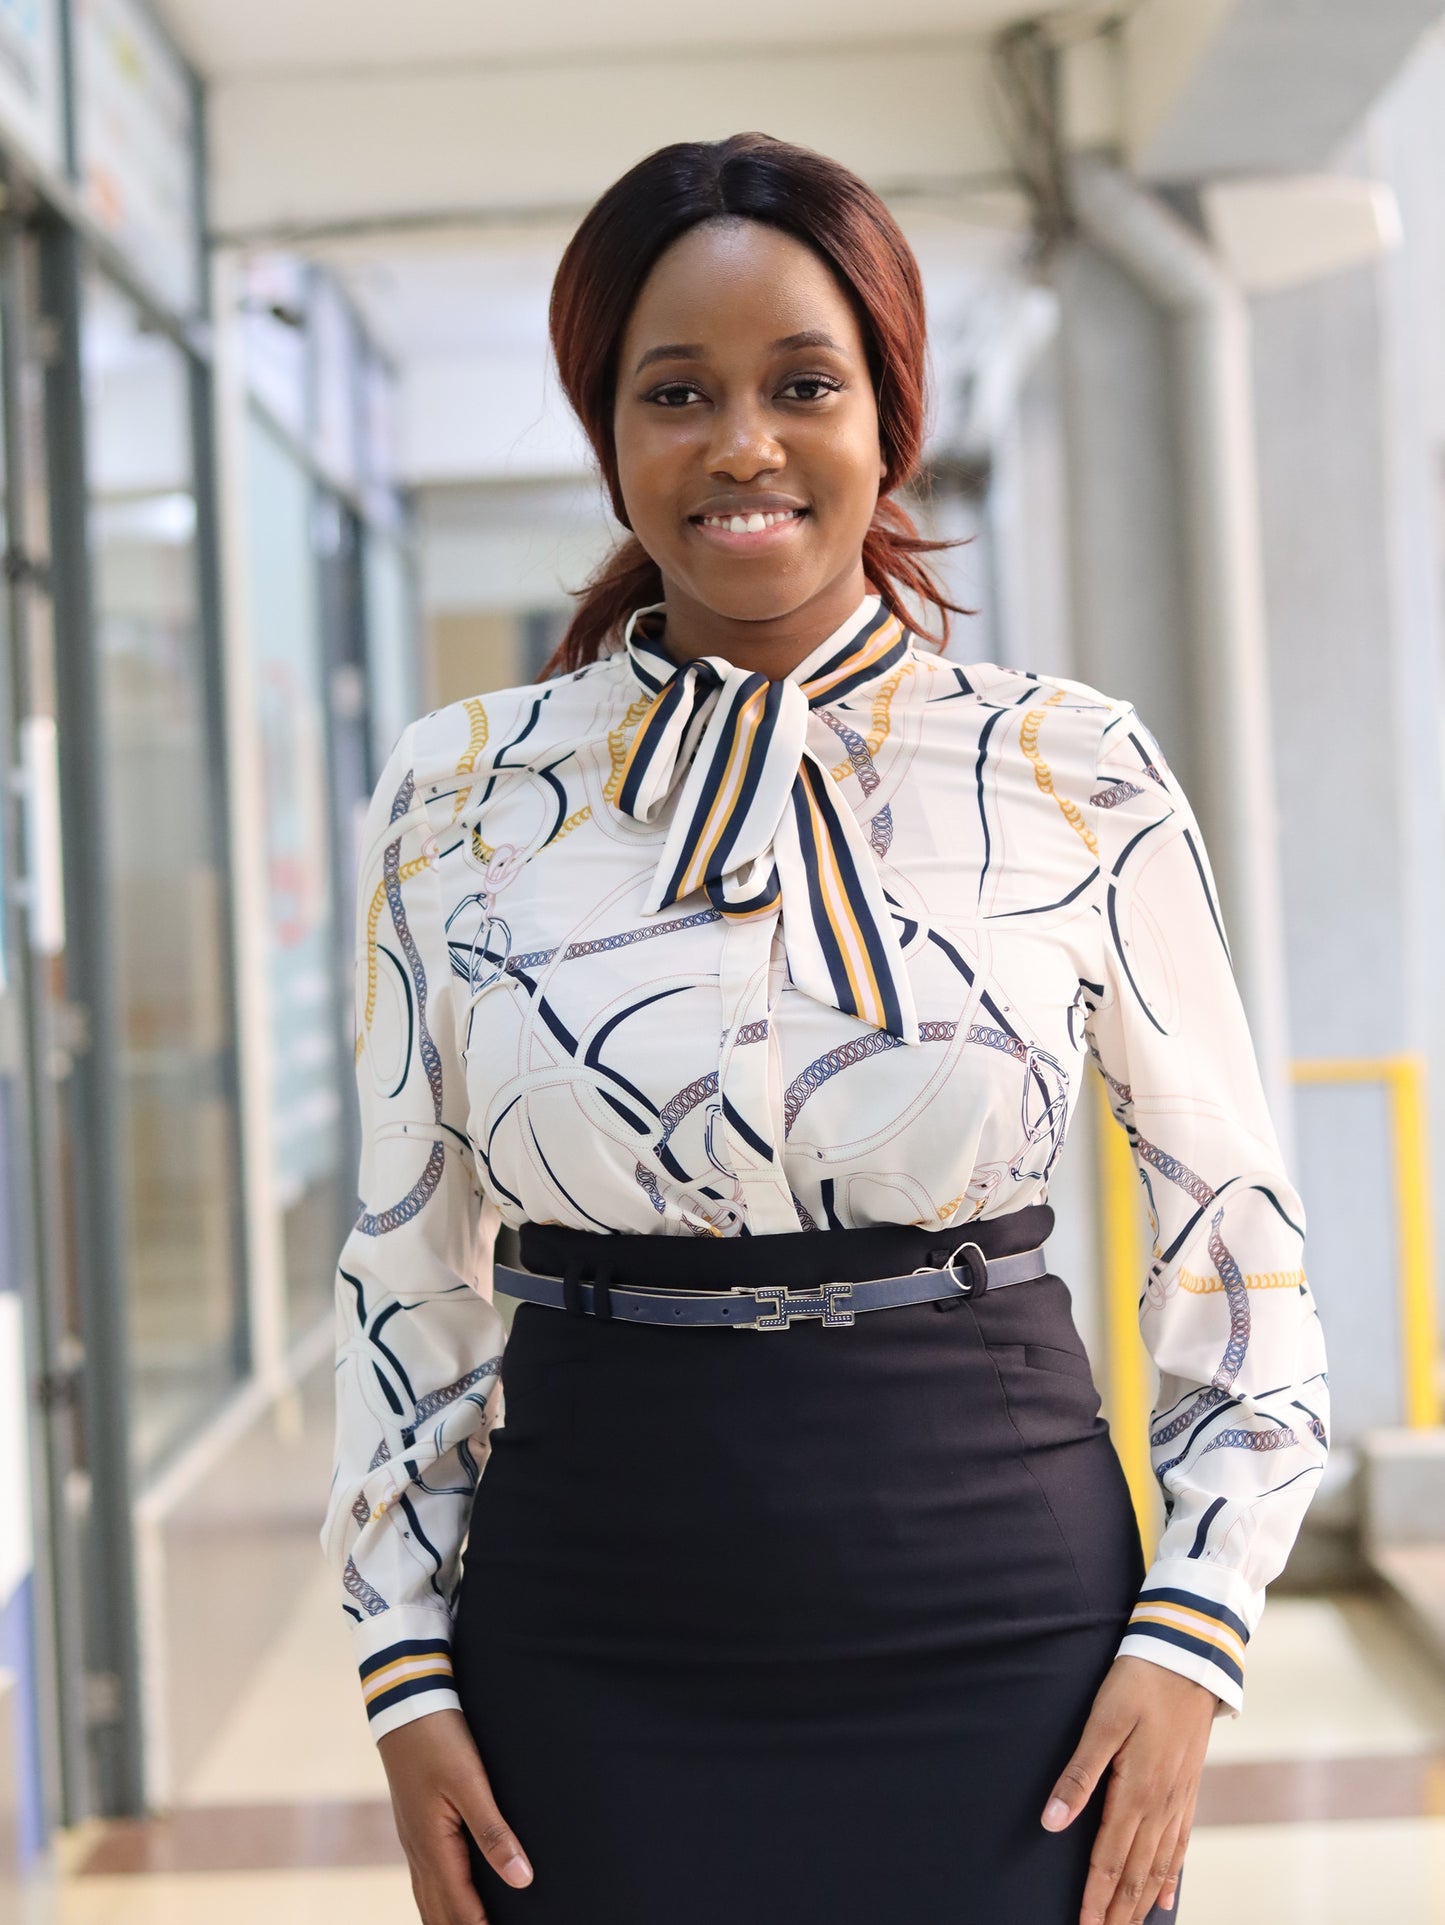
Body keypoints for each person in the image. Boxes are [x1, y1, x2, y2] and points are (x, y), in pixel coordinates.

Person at [321, 132, 1329, 1925]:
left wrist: (1194, 1639)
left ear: (888, 415)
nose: (740, 443)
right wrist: (402, 1666)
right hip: (590, 1615)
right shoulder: (460, 794)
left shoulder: (1066, 767)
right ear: (607, 431)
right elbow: (409, 1268)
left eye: (803, 384)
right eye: (674, 392)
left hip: (998, 1612)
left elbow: (1232, 1236)